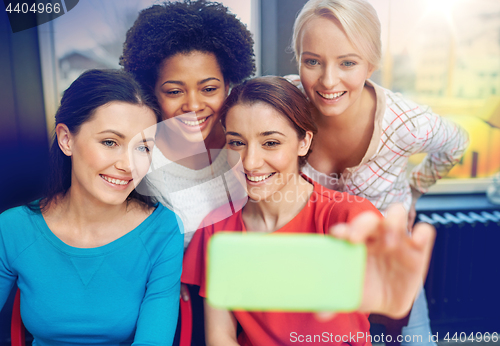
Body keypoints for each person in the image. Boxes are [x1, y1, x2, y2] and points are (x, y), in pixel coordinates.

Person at [181, 76, 436, 346]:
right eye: (236, 143)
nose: (250, 162)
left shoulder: (347, 217)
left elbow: (388, 294)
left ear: (303, 142)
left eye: (271, 143)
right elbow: (220, 336)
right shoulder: (216, 228)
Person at [286, 0, 469, 343]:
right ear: (298, 59)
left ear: (371, 64)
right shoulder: (283, 103)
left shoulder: (406, 123)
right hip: (313, 272)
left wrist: (415, 190)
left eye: (348, 63)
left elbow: (457, 141)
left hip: (386, 269)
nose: (328, 80)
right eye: (312, 61)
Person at [0, 69, 183, 345]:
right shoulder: (13, 228)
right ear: (66, 139)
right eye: (110, 142)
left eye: (143, 147)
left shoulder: (163, 229)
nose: (127, 165)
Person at [120, 0, 255, 249]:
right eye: (174, 91)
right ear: (153, 91)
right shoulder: (140, 164)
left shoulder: (249, 144)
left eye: (209, 89)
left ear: (228, 85)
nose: (193, 105)